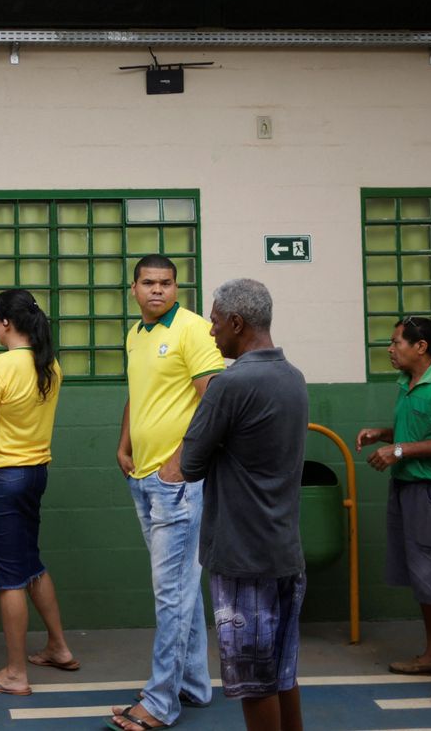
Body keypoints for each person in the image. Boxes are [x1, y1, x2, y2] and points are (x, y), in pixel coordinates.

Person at [179, 279, 308, 731]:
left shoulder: (230, 385)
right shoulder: (293, 377)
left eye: (215, 321)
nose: (211, 331)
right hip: (284, 551)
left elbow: (190, 463)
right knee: (282, 673)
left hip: (241, 555)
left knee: (254, 682)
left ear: (236, 322)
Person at [110, 256, 226, 731]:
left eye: (166, 283)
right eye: (148, 283)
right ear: (134, 289)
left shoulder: (193, 330)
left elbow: (214, 400)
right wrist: (124, 444)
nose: (157, 290)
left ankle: (160, 702)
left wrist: (181, 462)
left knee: (171, 594)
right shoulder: (136, 335)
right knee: (181, 588)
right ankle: (193, 683)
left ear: (177, 288)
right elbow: (139, 394)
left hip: (178, 484)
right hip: (145, 478)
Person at [0, 289, 78, 696]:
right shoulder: (49, 365)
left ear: (5, 323)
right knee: (29, 562)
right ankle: (58, 647)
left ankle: (15, 674)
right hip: (34, 474)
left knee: (9, 576)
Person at [356, 317, 431, 706]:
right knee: (426, 577)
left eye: (396, 343)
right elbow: (421, 432)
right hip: (408, 490)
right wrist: (384, 434)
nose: (390, 349)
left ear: (420, 347)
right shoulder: (407, 384)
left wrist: (399, 450)